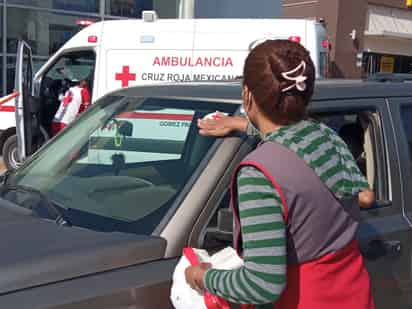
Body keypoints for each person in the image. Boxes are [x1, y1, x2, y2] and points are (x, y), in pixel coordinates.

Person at [185, 40, 375, 309]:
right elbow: (364, 195)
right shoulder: (325, 137)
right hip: (354, 294)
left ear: (247, 95)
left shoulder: (258, 172)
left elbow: (262, 285)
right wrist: (242, 123)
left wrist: (203, 276)